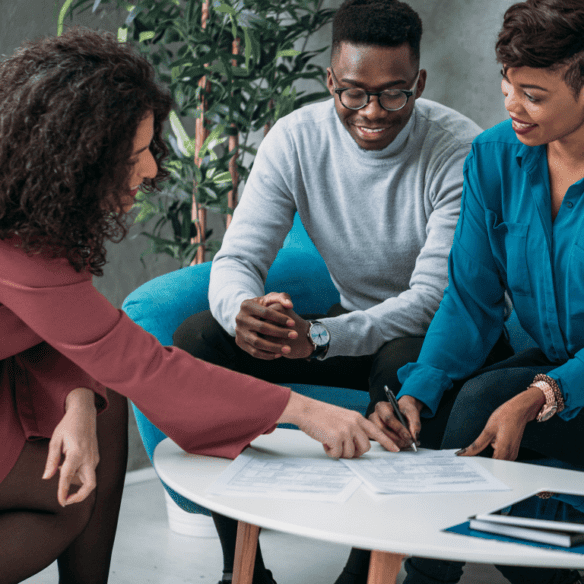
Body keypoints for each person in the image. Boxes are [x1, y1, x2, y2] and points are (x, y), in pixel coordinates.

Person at [0, 27, 396, 584]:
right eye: (135, 156)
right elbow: (144, 366)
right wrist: (306, 411)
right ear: (77, 159)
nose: (152, 171)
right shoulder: (19, 252)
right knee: (68, 500)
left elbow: (62, 331)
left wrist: (78, 399)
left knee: (98, 411)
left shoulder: (29, 213)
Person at [172, 1, 514, 582]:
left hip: (439, 342)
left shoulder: (459, 148)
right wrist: (242, 312)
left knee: (403, 361)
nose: (371, 112)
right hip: (349, 328)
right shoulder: (295, 138)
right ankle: (243, 570)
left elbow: (435, 298)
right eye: (353, 93)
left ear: (419, 83)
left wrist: (323, 337)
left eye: (393, 93)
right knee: (198, 339)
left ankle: (364, 573)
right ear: (330, 80)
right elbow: (237, 258)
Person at [368, 1, 584, 583]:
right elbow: (470, 298)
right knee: (432, 402)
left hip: (572, 373)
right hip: (563, 359)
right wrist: (421, 388)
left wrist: (546, 392)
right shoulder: (495, 155)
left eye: (533, 94)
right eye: (508, 85)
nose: (511, 105)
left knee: (484, 402)